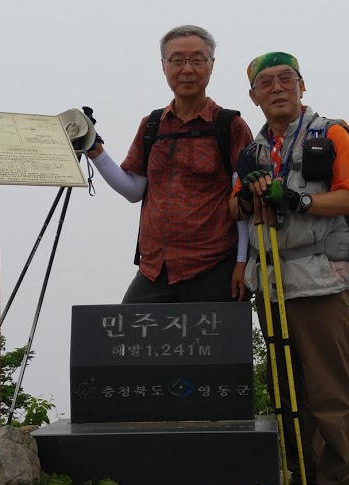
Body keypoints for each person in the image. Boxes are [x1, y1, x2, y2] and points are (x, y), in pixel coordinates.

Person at [230, 51, 349, 485]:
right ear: (253, 96)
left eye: (285, 78)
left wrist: (297, 198)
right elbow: (234, 210)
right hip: (272, 285)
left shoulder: (330, 134)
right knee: (289, 391)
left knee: (331, 389)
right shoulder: (252, 150)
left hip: (320, 280)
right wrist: (246, 195)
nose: (277, 88)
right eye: (265, 82)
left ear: (302, 85)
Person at [89, 25, 253, 304]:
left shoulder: (230, 125)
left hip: (215, 266)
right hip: (155, 268)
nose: (187, 69)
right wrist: (95, 150)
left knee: (215, 337)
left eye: (197, 59)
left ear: (211, 65)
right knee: (127, 329)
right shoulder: (152, 125)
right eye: (177, 60)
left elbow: (243, 201)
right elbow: (134, 190)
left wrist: (241, 261)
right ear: (163, 66)